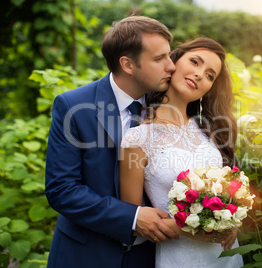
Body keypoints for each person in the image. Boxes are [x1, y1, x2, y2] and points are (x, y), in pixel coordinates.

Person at [45, 16, 180, 268]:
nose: (171, 66)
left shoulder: (170, 103)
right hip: (85, 255)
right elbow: (62, 189)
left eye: (169, 56)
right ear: (127, 64)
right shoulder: (73, 106)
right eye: (159, 58)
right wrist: (132, 217)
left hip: (152, 256)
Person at [120, 37, 244, 268]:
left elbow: (226, 191)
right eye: (195, 62)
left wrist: (231, 218)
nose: (199, 74)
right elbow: (135, 219)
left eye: (210, 75)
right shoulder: (137, 138)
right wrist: (200, 230)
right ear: (173, 62)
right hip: (179, 257)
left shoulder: (210, 130)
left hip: (226, 256)